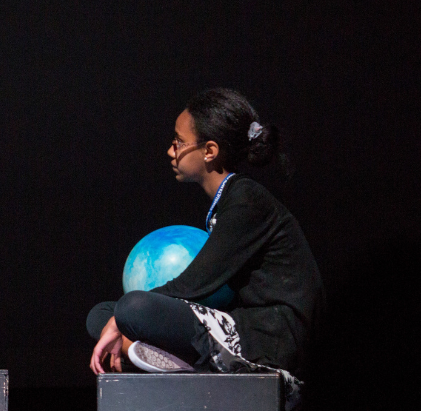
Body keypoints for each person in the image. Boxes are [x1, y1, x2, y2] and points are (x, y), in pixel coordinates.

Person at [88, 88, 323, 391]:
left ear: (209, 151)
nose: (171, 151)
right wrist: (119, 319)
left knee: (131, 309)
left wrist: (125, 319)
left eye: (179, 142)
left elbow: (194, 285)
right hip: (244, 323)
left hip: (273, 336)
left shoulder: (246, 201)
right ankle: (189, 360)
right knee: (101, 315)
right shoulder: (229, 201)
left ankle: (194, 360)